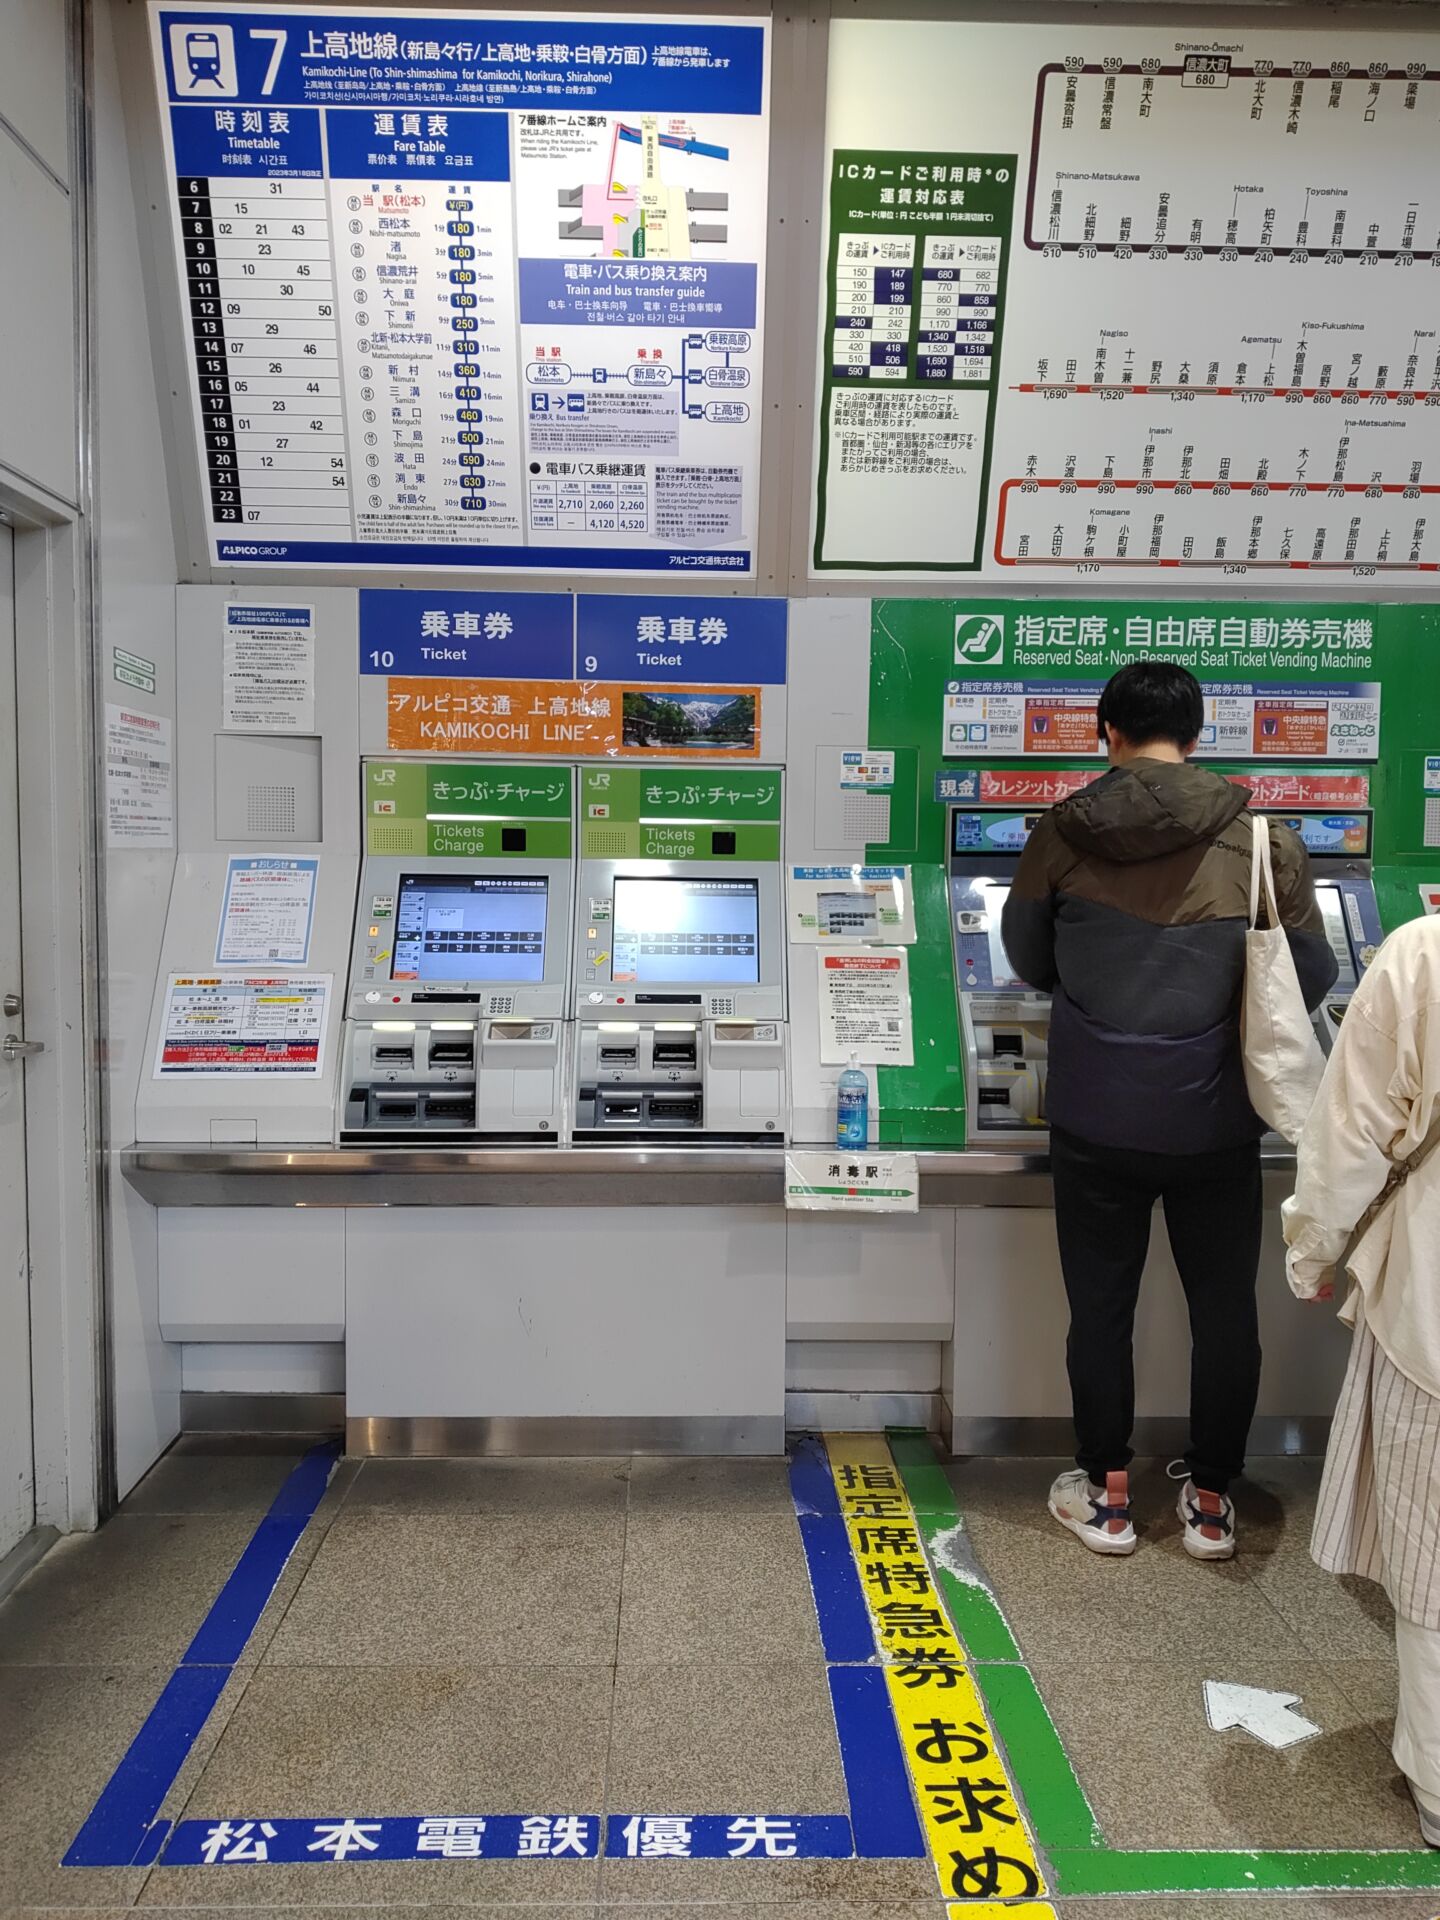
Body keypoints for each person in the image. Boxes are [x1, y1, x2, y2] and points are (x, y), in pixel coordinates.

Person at [1001, 661, 1337, 1559]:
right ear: (1196, 734)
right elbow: (1309, 977)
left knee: (1099, 1306)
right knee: (1225, 1306)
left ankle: (1108, 1492)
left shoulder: (1059, 835)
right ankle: (1214, 1497)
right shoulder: (1264, 839)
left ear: (1104, 731)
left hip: (1095, 1118)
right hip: (1216, 1119)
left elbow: (1031, 959)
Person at [1283, 913, 1440, 1846]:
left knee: (1434, 1555)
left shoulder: (1422, 955)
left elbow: (1352, 1134)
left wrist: (1314, 1251)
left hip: (1433, 1305)